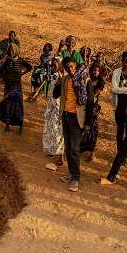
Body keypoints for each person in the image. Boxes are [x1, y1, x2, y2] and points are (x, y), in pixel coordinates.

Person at [54, 57, 85, 192]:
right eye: (68, 68)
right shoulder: (65, 79)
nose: (70, 69)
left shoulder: (83, 79)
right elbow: (55, 95)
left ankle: (76, 178)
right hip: (66, 115)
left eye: (72, 66)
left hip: (76, 118)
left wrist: (88, 123)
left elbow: (87, 101)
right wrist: (59, 79)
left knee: (74, 149)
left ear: (76, 66)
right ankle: (71, 173)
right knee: (68, 147)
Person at [0, 45, 32, 133]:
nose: (11, 52)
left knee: (18, 105)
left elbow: (30, 67)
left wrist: (22, 73)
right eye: (10, 50)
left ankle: (20, 126)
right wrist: (3, 75)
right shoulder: (7, 60)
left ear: (16, 51)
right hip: (8, 86)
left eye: (13, 50)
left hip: (17, 86)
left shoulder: (20, 60)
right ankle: (7, 125)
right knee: (7, 105)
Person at [41, 58, 64, 170]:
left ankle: (60, 156)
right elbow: (50, 94)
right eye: (52, 66)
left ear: (59, 66)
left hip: (57, 109)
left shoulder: (60, 77)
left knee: (57, 132)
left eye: (55, 65)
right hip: (53, 107)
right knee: (54, 131)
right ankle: (54, 152)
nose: (53, 67)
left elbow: (56, 96)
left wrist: (52, 108)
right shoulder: (55, 76)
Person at [80, 62, 106, 160]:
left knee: (93, 128)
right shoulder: (87, 78)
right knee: (82, 126)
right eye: (94, 70)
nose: (95, 72)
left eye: (98, 71)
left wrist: (88, 98)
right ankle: (80, 148)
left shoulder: (100, 81)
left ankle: (92, 152)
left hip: (93, 107)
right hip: (84, 105)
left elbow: (95, 94)